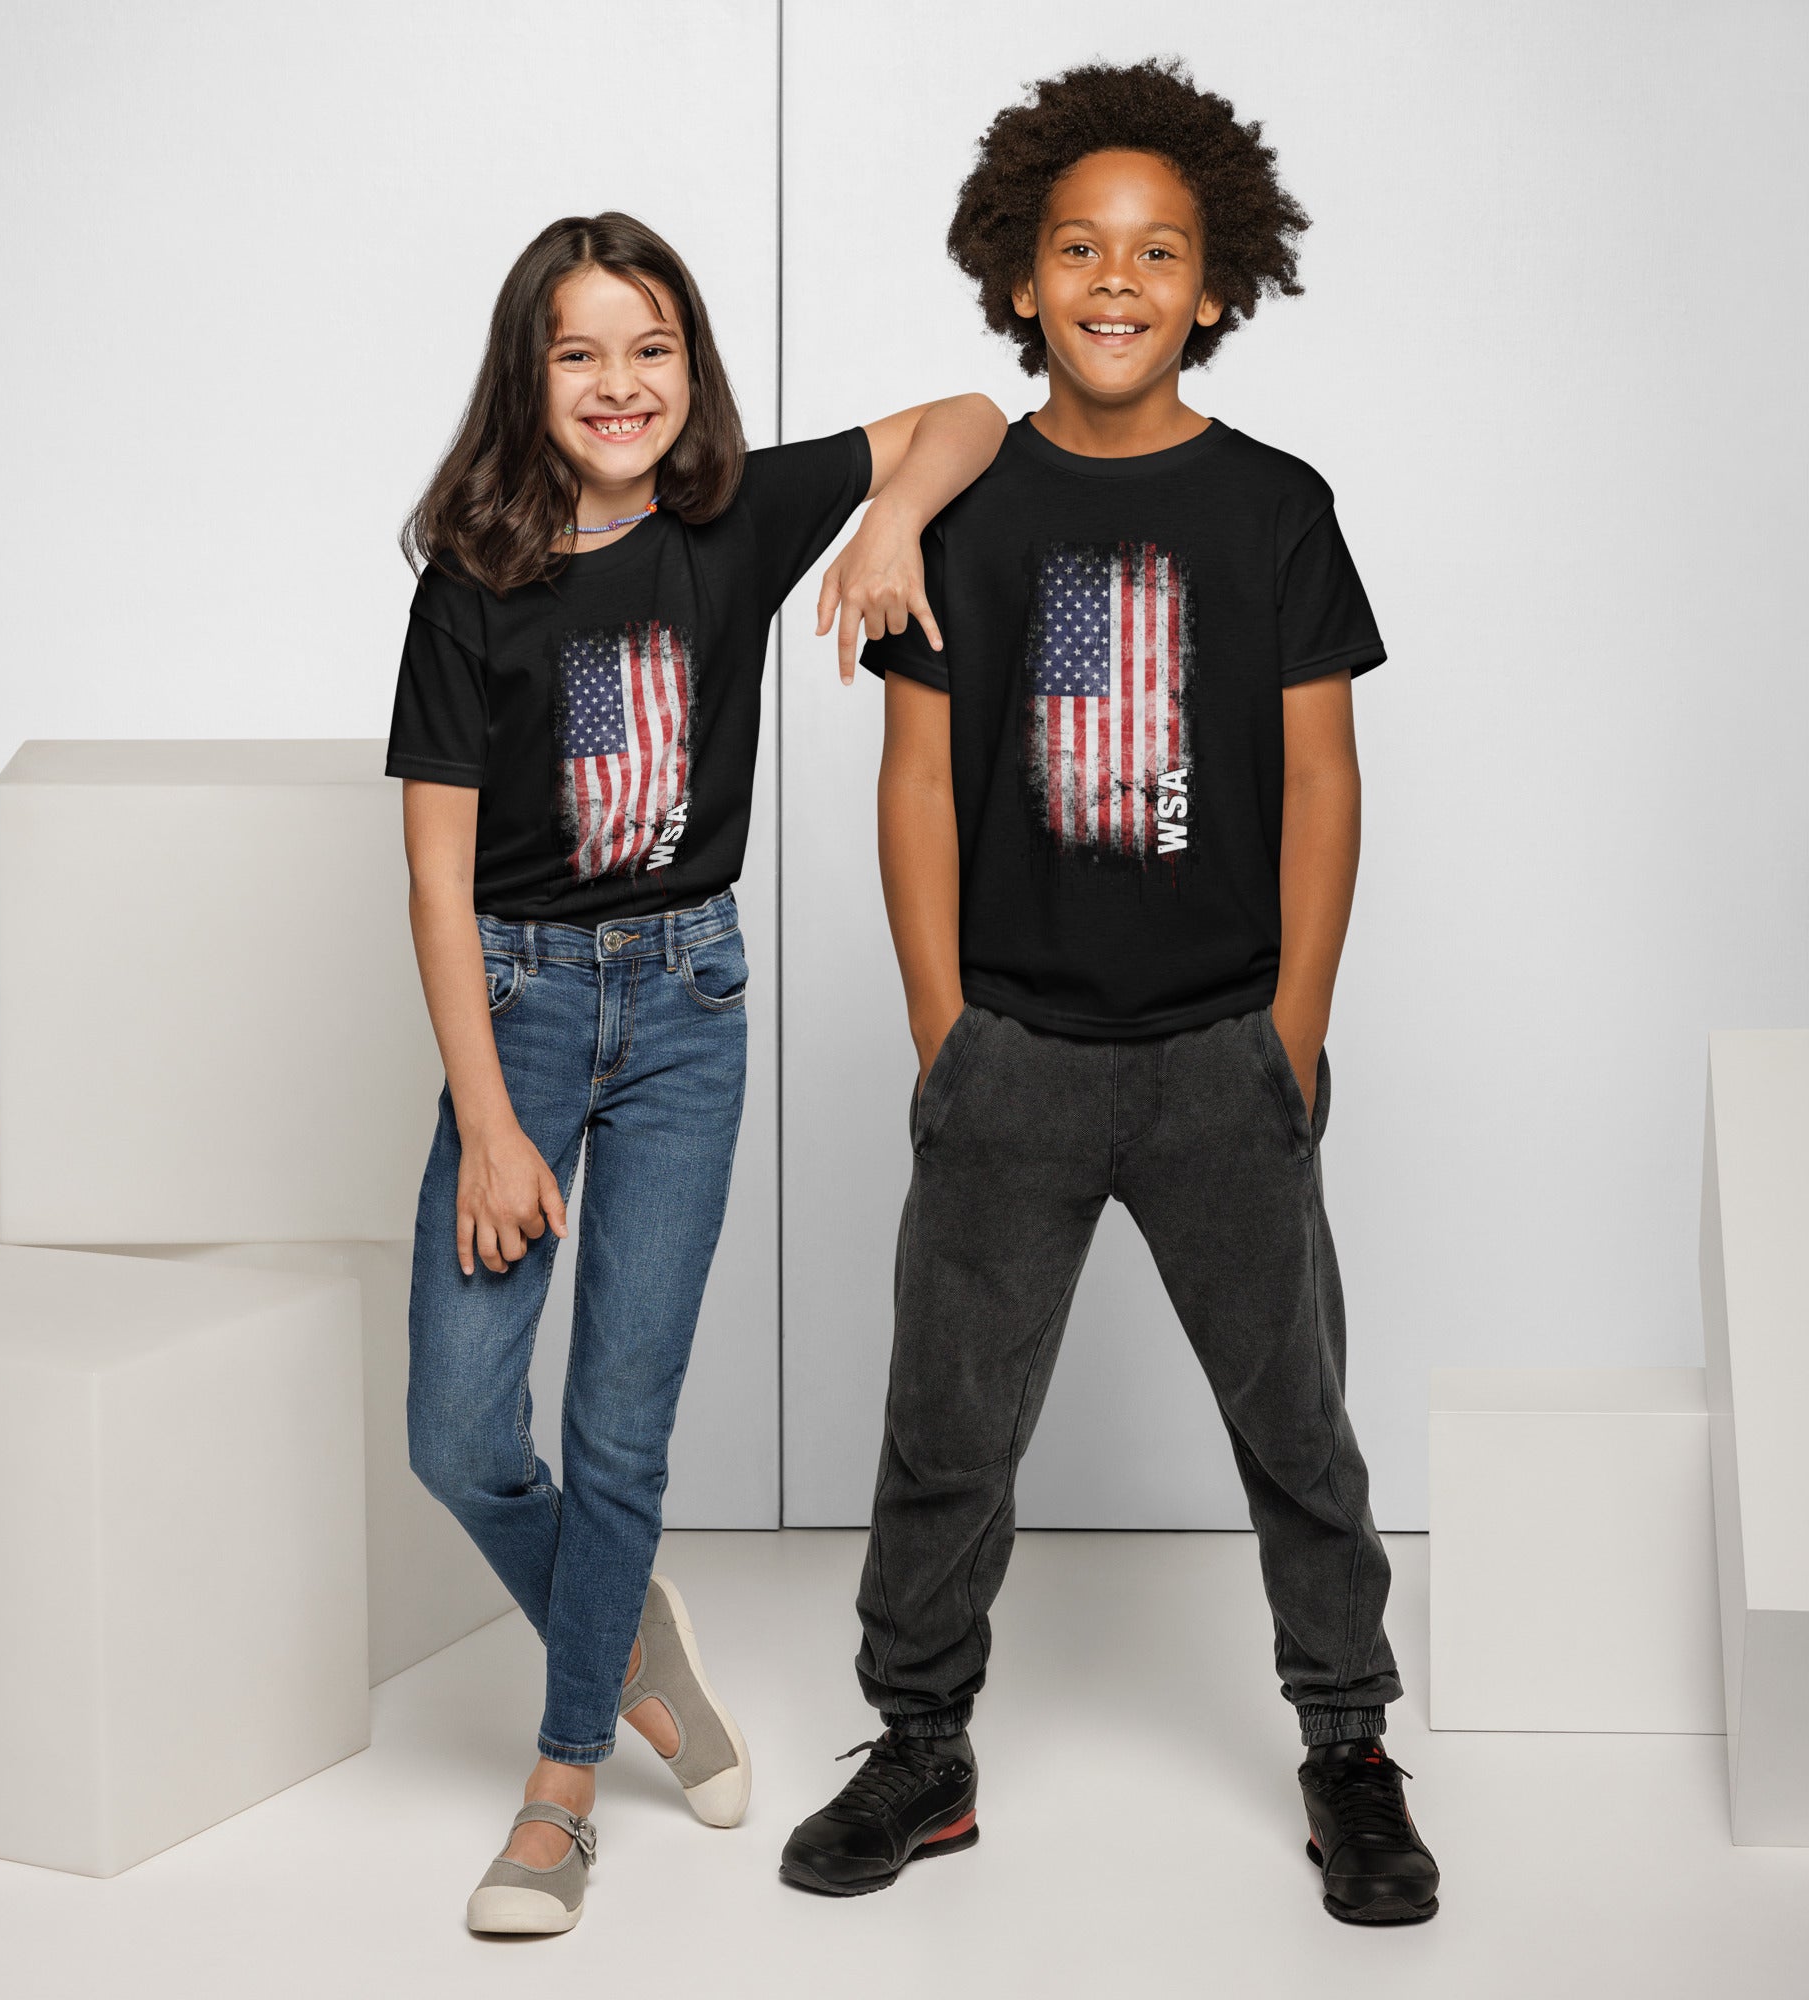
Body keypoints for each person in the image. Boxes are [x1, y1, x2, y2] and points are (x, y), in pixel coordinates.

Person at [779, 62, 1440, 1926]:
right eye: (1079, 248)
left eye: (1160, 251)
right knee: (947, 1426)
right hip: (1017, 1059)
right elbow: (915, 780)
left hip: (1227, 1047)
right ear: (1019, 279)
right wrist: (943, 1029)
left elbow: (1322, 775)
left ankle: (1350, 1747)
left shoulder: (1278, 507)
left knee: (1297, 1424)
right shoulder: (961, 512)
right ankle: (921, 1747)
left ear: (1217, 285)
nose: (1118, 278)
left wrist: (1294, 1028)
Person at [388, 210, 1003, 1937]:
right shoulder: (474, 579)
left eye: (649, 347)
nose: (619, 383)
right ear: (530, 374)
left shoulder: (736, 518)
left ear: (692, 364)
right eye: (579, 351)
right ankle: (632, 1626)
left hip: (684, 1008)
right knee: (456, 1426)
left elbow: (968, 416)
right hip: (511, 1002)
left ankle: (563, 1786)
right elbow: (436, 874)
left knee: (619, 1425)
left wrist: (890, 517)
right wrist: (493, 1125)